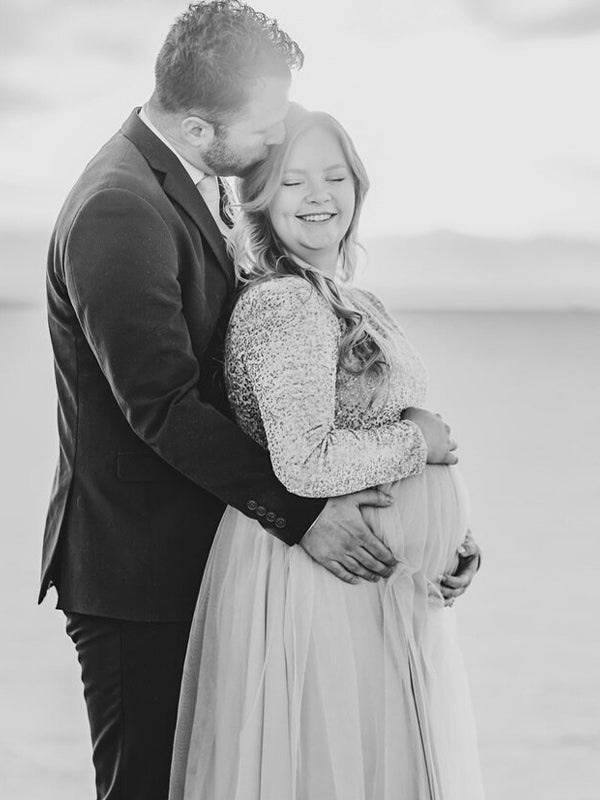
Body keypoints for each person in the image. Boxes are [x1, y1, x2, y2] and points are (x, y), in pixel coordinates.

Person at [40, 2, 480, 798]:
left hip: (211, 555)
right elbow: (162, 407)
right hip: (142, 570)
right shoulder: (119, 207)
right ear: (200, 128)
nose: (278, 137)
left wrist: (433, 532)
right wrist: (307, 516)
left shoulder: (189, 184)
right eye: (266, 125)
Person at [169, 104, 485, 800]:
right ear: (259, 197)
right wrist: (419, 443)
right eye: (293, 180)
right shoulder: (284, 303)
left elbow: (367, 421)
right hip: (319, 587)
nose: (318, 195)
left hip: (380, 589)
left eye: (335, 177)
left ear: (357, 188)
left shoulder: (350, 297)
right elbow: (305, 461)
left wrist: (450, 538)